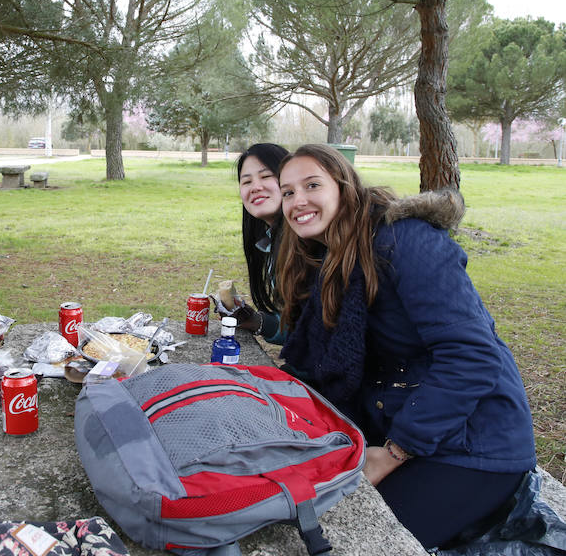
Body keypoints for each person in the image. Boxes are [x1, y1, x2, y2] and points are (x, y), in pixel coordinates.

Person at [275, 144, 536, 551]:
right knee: (296, 514)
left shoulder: (406, 240)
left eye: (312, 185)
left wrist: (395, 452)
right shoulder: (334, 257)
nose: (298, 200)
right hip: (403, 430)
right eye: (288, 192)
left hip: (473, 444)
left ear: (344, 186)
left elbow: (472, 356)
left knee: (354, 541)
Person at [229, 143, 288, 344]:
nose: (255, 187)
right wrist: (256, 321)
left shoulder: (313, 244)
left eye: (266, 176)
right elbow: (302, 327)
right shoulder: (273, 243)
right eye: (246, 182)